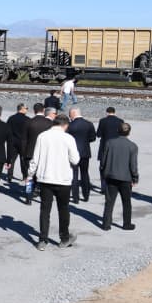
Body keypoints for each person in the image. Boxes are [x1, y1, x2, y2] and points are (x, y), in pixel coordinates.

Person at [27, 116, 80, 251]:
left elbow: (35, 158)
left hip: (45, 178)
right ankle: (64, 238)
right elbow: (75, 160)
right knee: (63, 209)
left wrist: (30, 174)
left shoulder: (42, 136)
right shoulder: (68, 138)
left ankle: (42, 240)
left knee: (45, 210)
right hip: (63, 180)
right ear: (65, 125)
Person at [101, 122, 138, 230]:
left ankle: (106, 224)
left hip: (111, 176)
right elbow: (133, 165)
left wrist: (103, 172)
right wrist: (135, 177)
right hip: (125, 178)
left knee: (109, 201)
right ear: (129, 132)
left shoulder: (109, 143)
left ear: (118, 131)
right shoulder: (132, 146)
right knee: (126, 202)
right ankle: (127, 224)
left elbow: (103, 160)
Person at [21, 103, 53, 205]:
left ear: (34, 111)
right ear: (43, 110)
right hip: (44, 154)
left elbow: (24, 140)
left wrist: (23, 153)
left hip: (30, 153)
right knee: (43, 177)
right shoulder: (49, 123)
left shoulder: (28, 122)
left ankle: (28, 197)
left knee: (29, 176)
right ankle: (43, 196)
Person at [66, 107, 96, 203]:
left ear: (73, 114)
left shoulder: (70, 125)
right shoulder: (89, 124)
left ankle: (75, 197)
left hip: (73, 153)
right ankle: (86, 195)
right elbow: (93, 138)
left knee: (74, 175)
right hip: (85, 152)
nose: (69, 116)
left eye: (70, 114)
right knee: (85, 173)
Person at [96, 107, 125, 193]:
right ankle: (115, 187)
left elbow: (98, 134)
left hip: (105, 147)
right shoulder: (120, 121)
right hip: (117, 147)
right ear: (114, 112)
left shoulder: (102, 121)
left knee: (103, 167)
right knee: (116, 167)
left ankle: (104, 188)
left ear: (107, 112)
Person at [5, 103, 29, 183]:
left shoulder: (11, 118)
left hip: (12, 142)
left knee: (11, 160)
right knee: (23, 160)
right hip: (23, 143)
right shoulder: (27, 119)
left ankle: (9, 176)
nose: (27, 110)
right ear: (21, 109)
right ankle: (25, 176)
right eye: (26, 108)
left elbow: (7, 130)